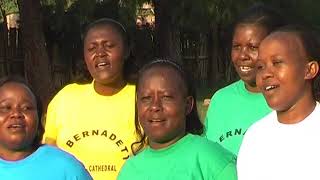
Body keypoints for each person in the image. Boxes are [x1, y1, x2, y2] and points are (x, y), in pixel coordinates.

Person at [43, 18, 137, 180]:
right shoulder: (65, 99)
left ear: (126, 50)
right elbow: (49, 157)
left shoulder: (144, 98)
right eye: (92, 48)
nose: (100, 53)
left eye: (109, 46)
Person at [118, 59, 237, 180]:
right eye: (146, 98)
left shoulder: (211, 159)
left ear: (188, 105)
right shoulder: (130, 170)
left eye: (166, 97)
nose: (154, 106)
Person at [237, 25, 320, 180]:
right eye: (260, 67)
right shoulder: (255, 137)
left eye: (277, 63)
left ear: (309, 70)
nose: (266, 74)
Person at [204, 4, 286, 155]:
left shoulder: (287, 103)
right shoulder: (220, 100)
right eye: (236, 46)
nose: (242, 56)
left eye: (253, 47)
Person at [0, 76, 92, 180]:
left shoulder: (66, 167)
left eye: (27, 108)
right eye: (6, 108)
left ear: (39, 117)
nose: (16, 114)